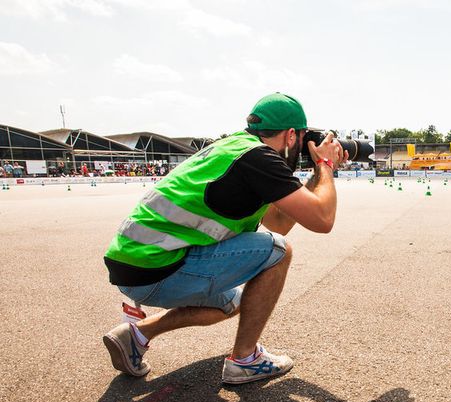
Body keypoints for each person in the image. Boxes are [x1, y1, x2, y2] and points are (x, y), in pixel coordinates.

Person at [101, 93, 347, 385]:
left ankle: (137, 335)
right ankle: (245, 360)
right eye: (303, 137)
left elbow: (279, 222)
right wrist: (325, 165)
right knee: (278, 251)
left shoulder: (236, 150)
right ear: (292, 134)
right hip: (156, 268)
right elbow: (322, 220)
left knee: (231, 303)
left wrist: (316, 177)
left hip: (133, 266)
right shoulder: (260, 159)